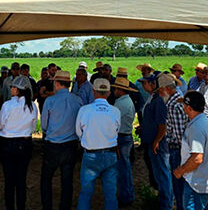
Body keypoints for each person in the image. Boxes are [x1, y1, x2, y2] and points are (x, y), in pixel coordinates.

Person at [40, 70, 83, 210]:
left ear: (57, 83)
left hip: (53, 146)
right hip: (70, 146)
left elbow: (44, 125)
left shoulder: (50, 100)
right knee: (67, 180)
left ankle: (47, 207)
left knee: (46, 179)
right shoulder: (77, 100)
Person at [76, 78, 121, 210]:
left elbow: (78, 132)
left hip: (90, 155)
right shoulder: (115, 111)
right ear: (108, 93)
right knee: (110, 193)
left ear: (93, 91)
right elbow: (116, 131)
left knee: (86, 192)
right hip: (110, 155)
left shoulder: (84, 110)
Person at [0, 76, 38, 210]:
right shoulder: (32, 106)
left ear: (17, 89)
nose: (10, 89)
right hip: (25, 144)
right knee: (21, 180)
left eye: (12, 87)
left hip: (8, 144)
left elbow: (1, 126)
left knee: (9, 180)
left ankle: (10, 207)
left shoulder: (7, 105)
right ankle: (21, 206)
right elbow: (33, 128)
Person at [173, 91, 208, 210]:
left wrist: (180, 171)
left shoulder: (196, 127)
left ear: (188, 107)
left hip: (196, 184)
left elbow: (197, 159)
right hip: (203, 181)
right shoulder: (205, 121)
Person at [140, 72, 172, 209]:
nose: (143, 85)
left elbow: (162, 125)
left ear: (153, 84)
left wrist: (157, 141)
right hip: (153, 142)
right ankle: (163, 200)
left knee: (163, 173)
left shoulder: (158, 101)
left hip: (158, 144)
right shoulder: (152, 98)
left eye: (145, 83)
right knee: (159, 173)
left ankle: (166, 204)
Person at [159, 73, 187, 210]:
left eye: (161, 89)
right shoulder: (178, 100)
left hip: (177, 148)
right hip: (180, 147)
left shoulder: (173, 104)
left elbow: (178, 133)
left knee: (178, 185)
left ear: (167, 89)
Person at [111, 77, 137, 206]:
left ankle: (125, 196)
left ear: (120, 90)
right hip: (126, 136)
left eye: (115, 88)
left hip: (121, 137)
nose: (114, 90)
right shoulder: (126, 101)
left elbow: (112, 121)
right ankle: (127, 195)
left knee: (122, 168)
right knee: (124, 167)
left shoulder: (120, 103)